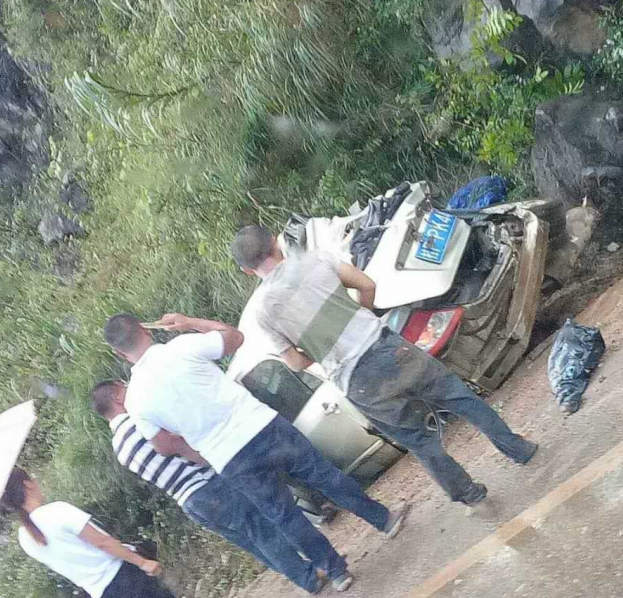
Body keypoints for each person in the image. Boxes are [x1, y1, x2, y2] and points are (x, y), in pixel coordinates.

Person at [231, 225, 538, 507]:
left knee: (418, 440)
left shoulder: (264, 313)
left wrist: (321, 349)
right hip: (388, 348)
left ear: (247, 270)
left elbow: (295, 363)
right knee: (461, 399)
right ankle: (518, 449)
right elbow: (367, 285)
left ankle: (468, 493)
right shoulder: (316, 260)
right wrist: (358, 317)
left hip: (357, 381)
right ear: (274, 240)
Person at [102, 312, 409, 592]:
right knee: (324, 476)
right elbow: (234, 337)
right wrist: (190, 322)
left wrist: (195, 445)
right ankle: (384, 520)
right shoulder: (181, 347)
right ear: (145, 329)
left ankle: (336, 571)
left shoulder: (137, 401)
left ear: (119, 352)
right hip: (261, 425)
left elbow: (164, 446)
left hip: (227, 458)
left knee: (284, 516)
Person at [90, 380, 325, 594]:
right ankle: (309, 577)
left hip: (189, 501)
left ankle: (302, 574)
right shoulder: (139, 421)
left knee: (251, 541)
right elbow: (178, 442)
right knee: (263, 531)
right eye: (125, 388)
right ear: (118, 397)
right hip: (207, 484)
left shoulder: (120, 449)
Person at [0, 467, 173, 598]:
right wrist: (141, 562)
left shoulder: (25, 538)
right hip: (125, 577)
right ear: (27, 484)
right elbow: (101, 542)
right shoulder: (55, 511)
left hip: (100, 592)